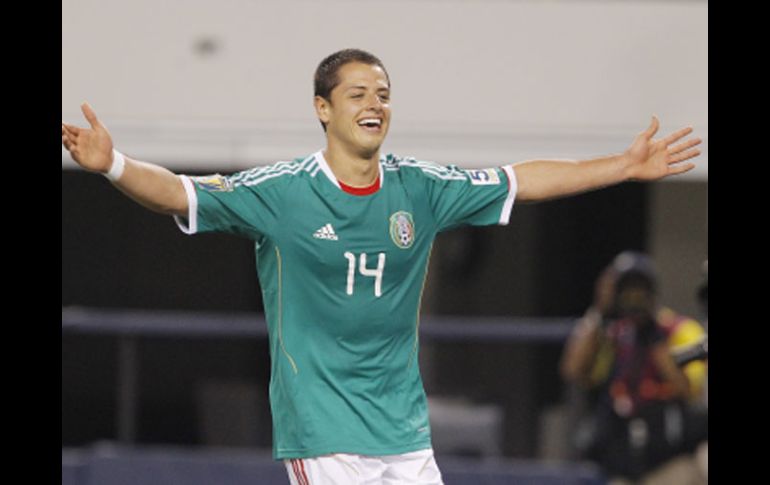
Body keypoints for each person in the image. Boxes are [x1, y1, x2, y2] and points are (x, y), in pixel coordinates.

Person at [62, 48, 701, 485]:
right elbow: (179, 193)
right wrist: (113, 164)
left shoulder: (418, 188)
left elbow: (521, 180)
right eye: (359, 94)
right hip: (324, 434)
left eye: (385, 95)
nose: (376, 104)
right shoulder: (282, 194)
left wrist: (622, 165)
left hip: (404, 433)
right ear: (323, 108)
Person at [560, 252, 707, 484]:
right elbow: (573, 371)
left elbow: (688, 390)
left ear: (653, 291)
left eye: (640, 289)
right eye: (626, 290)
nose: (634, 298)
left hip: (673, 461)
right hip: (623, 464)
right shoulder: (613, 334)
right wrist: (599, 311)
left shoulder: (678, 329)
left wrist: (652, 335)